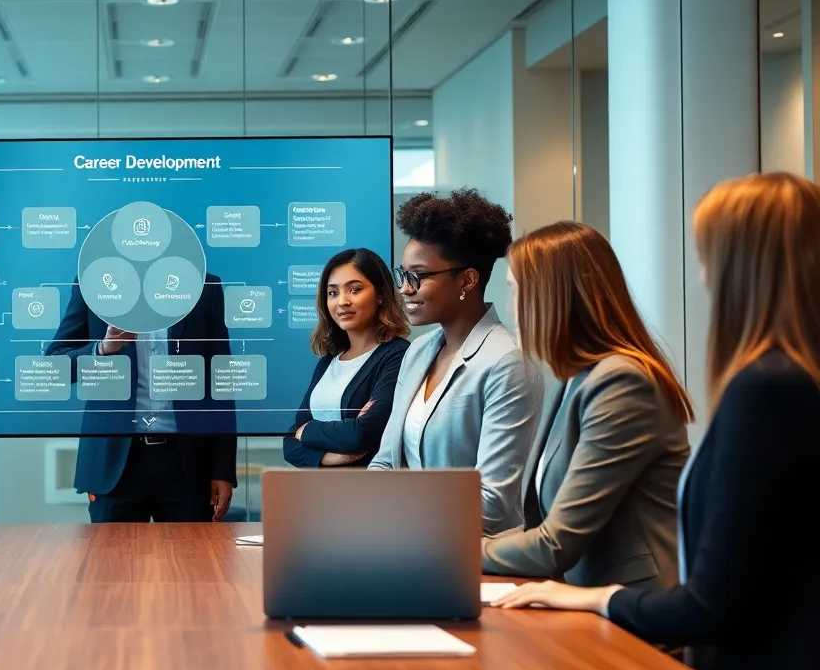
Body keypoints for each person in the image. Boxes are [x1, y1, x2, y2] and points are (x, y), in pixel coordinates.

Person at [494, 172, 820, 670]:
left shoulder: (766, 388)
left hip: (692, 654)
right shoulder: (573, 380)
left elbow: (712, 601)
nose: (702, 276)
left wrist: (591, 597)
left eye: (707, 254)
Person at [482, 221, 691, 589]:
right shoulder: (573, 378)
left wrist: (452, 551)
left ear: (552, 296)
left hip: (635, 614)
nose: (511, 306)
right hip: (582, 599)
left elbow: (555, 544)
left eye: (515, 290)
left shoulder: (621, 382)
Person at [366, 189, 543, 534]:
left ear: (467, 280)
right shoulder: (418, 352)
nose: (404, 289)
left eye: (418, 275)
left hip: (480, 556)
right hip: (412, 543)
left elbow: (490, 502)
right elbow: (385, 462)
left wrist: (395, 508)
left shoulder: (507, 363)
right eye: (402, 274)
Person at [46, 275, 237, 523]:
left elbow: (221, 380)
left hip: (188, 463)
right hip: (114, 463)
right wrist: (102, 348)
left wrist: (222, 469)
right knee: (111, 560)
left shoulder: (203, 287)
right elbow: (54, 366)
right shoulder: (92, 283)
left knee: (192, 561)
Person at [284, 248, 410, 468]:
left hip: (369, 491)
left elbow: (363, 434)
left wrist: (309, 430)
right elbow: (289, 444)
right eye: (333, 293)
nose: (342, 301)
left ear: (380, 294)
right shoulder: (328, 362)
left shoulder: (397, 355)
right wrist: (331, 457)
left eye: (354, 289)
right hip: (320, 493)